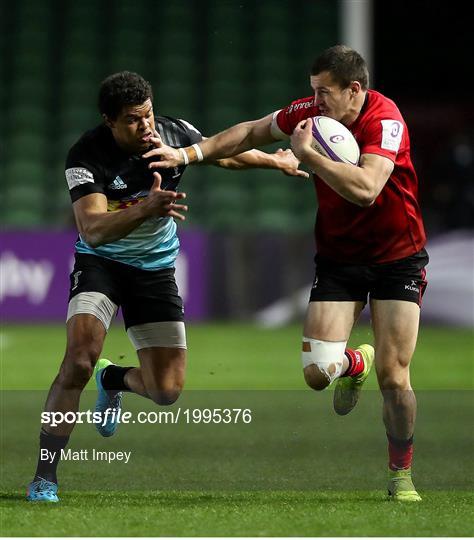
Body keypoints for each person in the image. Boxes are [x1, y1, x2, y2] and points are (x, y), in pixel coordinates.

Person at [145, 45, 429, 502]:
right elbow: (252, 131)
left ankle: (400, 474)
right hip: (339, 259)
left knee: (395, 377)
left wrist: (308, 156)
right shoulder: (312, 113)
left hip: (398, 257)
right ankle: (356, 361)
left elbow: (367, 190)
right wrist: (188, 154)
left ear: (354, 90)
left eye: (324, 93)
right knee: (317, 373)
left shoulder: (385, 121)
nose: (314, 102)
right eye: (312, 91)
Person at [26, 70, 306, 502]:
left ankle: (115, 380)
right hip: (102, 264)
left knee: (166, 391)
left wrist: (276, 161)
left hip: (155, 269)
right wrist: (147, 207)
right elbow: (94, 229)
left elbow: (221, 154)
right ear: (110, 121)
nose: (147, 127)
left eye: (149, 114)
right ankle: (45, 476)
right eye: (134, 120)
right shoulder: (86, 156)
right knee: (80, 359)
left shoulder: (173, 133)